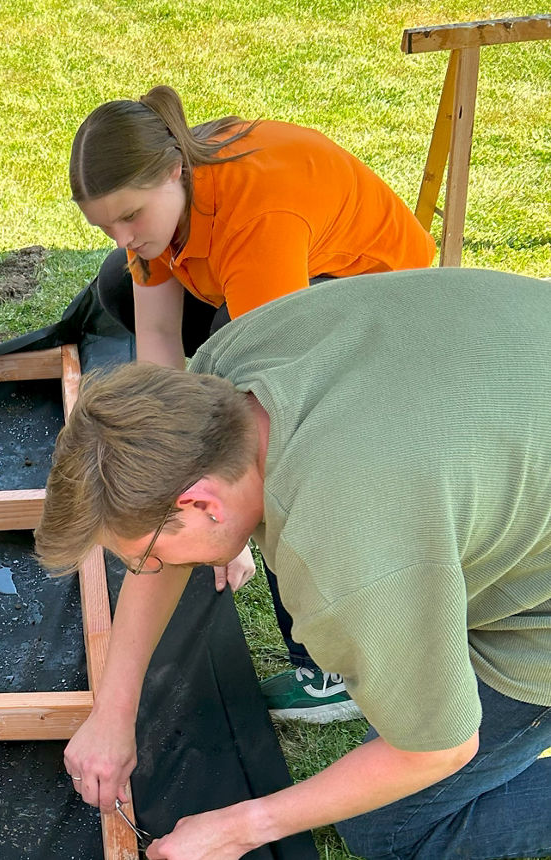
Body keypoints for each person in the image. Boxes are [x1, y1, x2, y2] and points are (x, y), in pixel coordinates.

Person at [36, 268, 551, 860]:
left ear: (200, 500)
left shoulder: (347, 556)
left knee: (389, 828)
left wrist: (240, 827)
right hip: (517, 370)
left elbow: (438, 748)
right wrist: (113, 713)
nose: (146, 569)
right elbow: (175, 530)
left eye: (143, 556)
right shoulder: (225, 371)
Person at [68, 85, 437, 722]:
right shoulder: (165, 197)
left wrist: (226, 520)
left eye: (129, 217)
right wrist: (166, 460)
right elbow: (156, 337)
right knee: (118, 287)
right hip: (289, 276)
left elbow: (276, 396)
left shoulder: (257, 219)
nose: (123, 235)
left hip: (384, 304)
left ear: (174, 172)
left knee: (266, 435)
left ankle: (328, 671)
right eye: (104, 225)